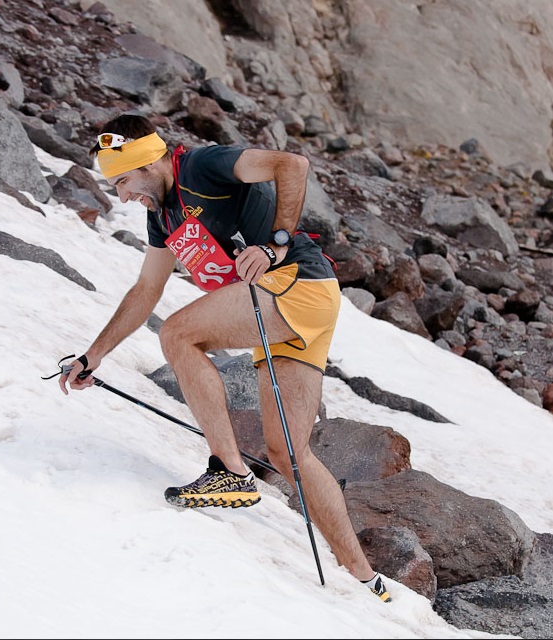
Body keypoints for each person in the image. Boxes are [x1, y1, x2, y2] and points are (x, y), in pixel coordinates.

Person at [58, 113, 391, 602]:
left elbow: (291, 164)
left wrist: (275, 244)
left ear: (149, 161)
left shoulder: (202, 167)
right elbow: (147, 289)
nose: (122, 196)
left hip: (294, 286)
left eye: (124, 181)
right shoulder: (161, 215)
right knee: (287, 452)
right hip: (293, 313)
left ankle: (229, 472)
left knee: (177, 335)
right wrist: (93, 356)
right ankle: (367, 581)